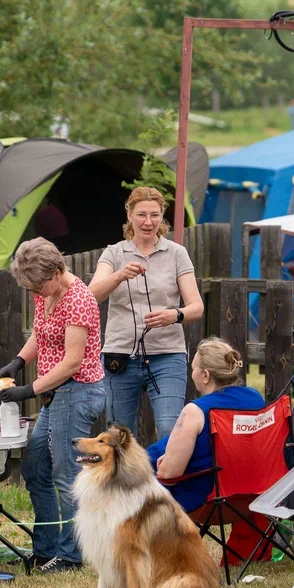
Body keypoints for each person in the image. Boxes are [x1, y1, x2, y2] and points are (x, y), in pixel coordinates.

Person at [0, 238, 106, 573]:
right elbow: (41, 335)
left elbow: (72, 362)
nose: (36, 294)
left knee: (66, 474)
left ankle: (71, 556)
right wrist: (16, 361)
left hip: (77, 392)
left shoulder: (78, 300)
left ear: (58, 271)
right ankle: (46, 549)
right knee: (34, 468)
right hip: (57, 394)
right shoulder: (49, 293)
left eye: (39, 287)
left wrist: (27, 390)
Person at [87, 186, 203, 441]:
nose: (148, 222)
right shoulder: (114, 253)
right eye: (141, 214)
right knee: (119, 436)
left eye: (155, 215)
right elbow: (91, 295)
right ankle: (125, 482)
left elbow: (196, 307)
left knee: (170, 429)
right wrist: (119, 275)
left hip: (167, 355)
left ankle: (168, 480)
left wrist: (175, 315)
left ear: (162, 217)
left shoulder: (176, 253)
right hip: (120, 356)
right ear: (129, 214)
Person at [148, 338, 263, 513]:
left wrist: (164, 465)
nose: (192, 373)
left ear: (206, 375)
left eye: (194, 368)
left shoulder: (195, 411)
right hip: (252, 494)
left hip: (206, 499)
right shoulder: (255, 398)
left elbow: (169, 474)